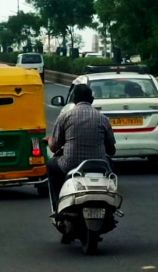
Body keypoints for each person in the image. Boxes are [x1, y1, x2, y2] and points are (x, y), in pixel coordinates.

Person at [45, 84, 116, 216]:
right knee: (111, 164)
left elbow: (54, 147)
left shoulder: (65, 117)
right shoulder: (103, 119)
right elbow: (111, 151)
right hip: (99, 166)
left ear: (74, 100)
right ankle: (111, 206)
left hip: (70, 165)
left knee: (51, 165)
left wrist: (49, 140)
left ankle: (58, 206)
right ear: (92, 100)